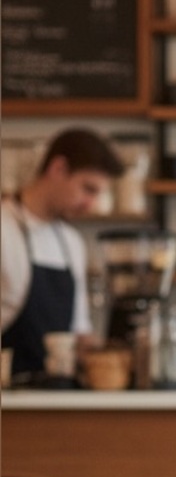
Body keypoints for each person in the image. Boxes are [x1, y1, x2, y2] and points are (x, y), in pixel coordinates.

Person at [1, 128, 124, 379]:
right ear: (58, 168)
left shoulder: (72, 243)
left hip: (56, 397)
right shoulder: (4, 227)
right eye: (88, 189)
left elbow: (79, 331)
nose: (91, 204)